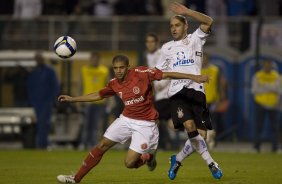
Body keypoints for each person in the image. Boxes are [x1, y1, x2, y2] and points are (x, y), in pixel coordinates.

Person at [56, 54, 209, 183]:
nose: (118, 71)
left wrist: (194, 77)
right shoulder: (114, 83)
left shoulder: (142, 73)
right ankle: (75, 178)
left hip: (146, 125)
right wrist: (73, 99)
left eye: (121, 67)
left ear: (128, 67)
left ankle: (149, 156)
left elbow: (167, 74)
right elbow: (98, 94)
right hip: (126, 119)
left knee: (129, 163)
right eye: (115, 68)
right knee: (102, 144)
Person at [155, 2, 223, 180]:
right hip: (178, 93)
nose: (174, 29)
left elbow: (208, 21)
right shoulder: (166, 48)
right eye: (171, 26)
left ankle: (177, 159)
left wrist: (187, 12)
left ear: (186, 26)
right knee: (189, 126)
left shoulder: (196, 39)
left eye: (177, 25)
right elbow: (159, 74)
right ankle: (211, 163)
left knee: (200, 136)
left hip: (197, 92)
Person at [145, 32, 173, 150]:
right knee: (169, 123)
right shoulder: (148, 56)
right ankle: (166, 144)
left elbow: (172, 69)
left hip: (167, 93)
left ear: (157, 43)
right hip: (159, 95)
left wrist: (161, 84)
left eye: (152, 41)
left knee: (154, 119)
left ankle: (159, 145)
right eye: (148, 42)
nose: (150, 44)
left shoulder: (162, 54)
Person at [27, 52, 60, 149]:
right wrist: (31, 101)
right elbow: (29, 87)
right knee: (38, 124)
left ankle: (42, 144)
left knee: (44, 123)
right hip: (35, 103)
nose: (38, 60)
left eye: (39, 58)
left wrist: (52, 100)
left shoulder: (49, 71)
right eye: (37, 59)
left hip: (46, 102)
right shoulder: (33, 72)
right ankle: (41, 144)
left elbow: (55, 86)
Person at [79, 52, 109, 150]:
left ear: (99, 59)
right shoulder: (84, 70)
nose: (94, 60)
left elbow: (108, 87)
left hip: (100, 102)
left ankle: (94, 144)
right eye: (93, 58)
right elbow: (81, 85)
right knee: (86, 124)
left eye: (96, 59)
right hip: (87, 102)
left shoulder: (104, 70)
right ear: (90, 59)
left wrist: (108, 102)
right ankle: (83, 144)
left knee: (96, 125)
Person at [251, 59, 280, 153]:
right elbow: (255, 90)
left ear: (271, 65)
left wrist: (264, 85)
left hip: (274, 104)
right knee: (258, 126)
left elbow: (278, 89)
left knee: (275, 127)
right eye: (266, 64)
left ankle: (275, 147)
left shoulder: (276, 76)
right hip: (260, 103)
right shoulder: (257, 76)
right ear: (263, 65)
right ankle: (256, 147)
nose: (267, 66)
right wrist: (271, 87)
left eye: (269, 64)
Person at [201, 53, 229, 150]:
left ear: (208, 59)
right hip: (200, 100)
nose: (203, 60)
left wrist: (222, 96)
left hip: (213, 100)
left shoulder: (215, 70)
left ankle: (213, 141)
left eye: (205, 58)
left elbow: (219, 84)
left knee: (213, 122)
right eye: (202, 58)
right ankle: (203, 142)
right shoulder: (196, 70)